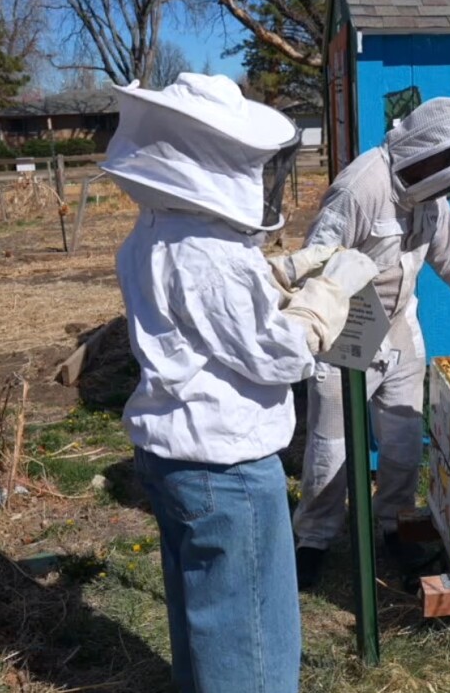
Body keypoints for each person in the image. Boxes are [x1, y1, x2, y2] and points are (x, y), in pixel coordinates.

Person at [103, 73, 378, 693]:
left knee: (206, 622)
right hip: (224, 469)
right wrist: (323, 298)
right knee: (253, 642)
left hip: (171, 457)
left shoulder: (154, 231)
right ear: (215, 159)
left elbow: (205, 317)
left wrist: (287, 271)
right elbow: (277, 355)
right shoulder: (209, 253)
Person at [292, 91, 450, 589]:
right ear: (431, 156)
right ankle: (313, 539)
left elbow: (448, 255)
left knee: (405, 441)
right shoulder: (360, 188)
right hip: (349, 326)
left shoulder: (434, 196)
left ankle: (396, 527)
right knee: (333, 447)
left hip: (402, 325)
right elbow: (315, 261)